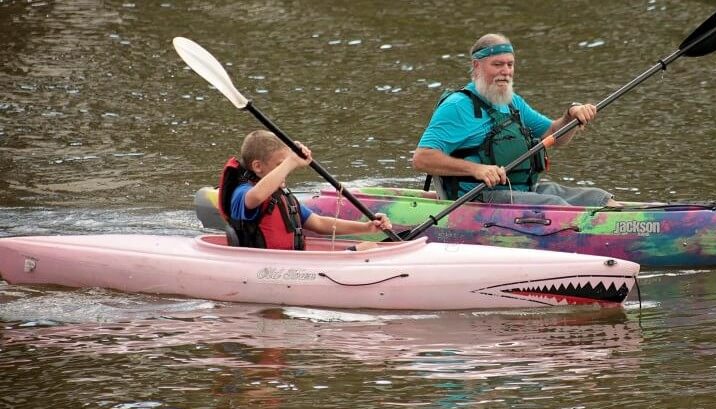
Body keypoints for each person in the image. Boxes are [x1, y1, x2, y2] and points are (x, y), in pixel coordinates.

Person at [412, 33, 620, 207]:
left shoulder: (512, 102)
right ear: (477, 66)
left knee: (597, 198)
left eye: (510, 64)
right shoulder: (457, 106)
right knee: (555, 206)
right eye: (498, 64)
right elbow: (422, 158)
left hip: (522, 190)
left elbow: (554, 135)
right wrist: (477, 169)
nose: (506, 71)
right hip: (477, 199)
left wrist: (571, 115)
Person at [218, 130, 392, 251]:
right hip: (264, 266)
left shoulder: (280, 195)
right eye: (280, 165)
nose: (287, 170)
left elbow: (318, 223)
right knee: (367, 249)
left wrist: (366, 227)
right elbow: (255, 197)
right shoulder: (241, 193)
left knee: (369, 246)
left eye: (286, 163)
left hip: (290, 264)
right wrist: (292, 161)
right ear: (257, 166)